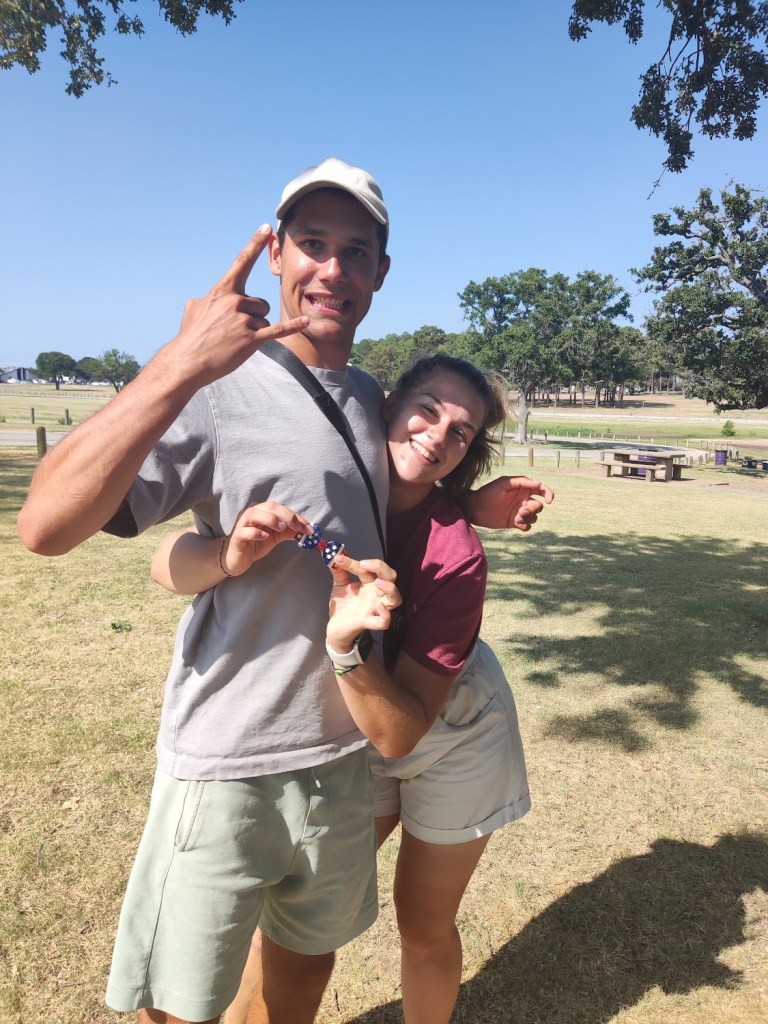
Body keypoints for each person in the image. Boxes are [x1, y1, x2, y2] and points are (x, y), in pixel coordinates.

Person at [16, 158, 549, 1024]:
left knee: (299, 979)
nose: (332, 269)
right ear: (275, 254)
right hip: (231, 755)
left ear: (381, 272)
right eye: (312, 243)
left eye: (355, 251)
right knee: (179, 1000)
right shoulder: (213, 386)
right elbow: (45, 526)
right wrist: (179, 363)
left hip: (341, 759)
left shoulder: (370, 398)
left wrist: (468, 506)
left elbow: (398, 481)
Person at [151, 354, 553, 1024]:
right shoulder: (323, 485)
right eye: (427, 409)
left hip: (449, 725)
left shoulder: (457, 554)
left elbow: (402, 732)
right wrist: (225, 555)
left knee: (422, 925)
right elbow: (165, 561)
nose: (437, 436)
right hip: (348, 723)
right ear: (386, 407)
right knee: (286, 921)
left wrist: (344, 647)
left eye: (460, 432)